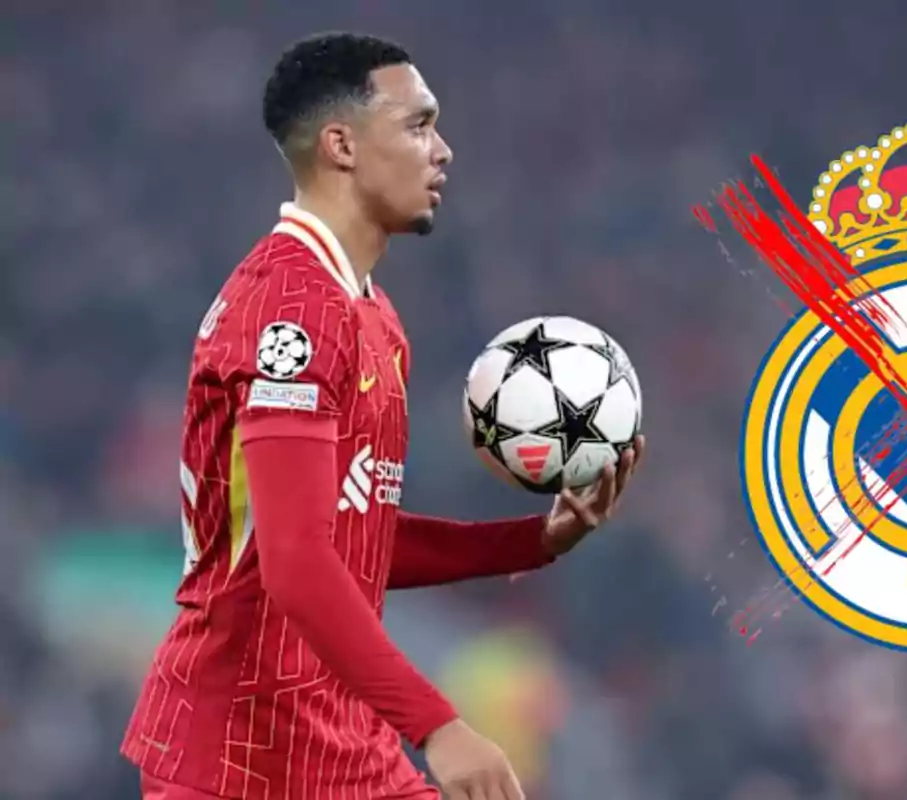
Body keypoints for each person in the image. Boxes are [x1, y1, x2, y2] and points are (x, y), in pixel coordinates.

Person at [120, 31, 645, 800]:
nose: (444, 150)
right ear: (341, 145)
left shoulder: (371, 315)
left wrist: (532, 541)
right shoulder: (288, 314)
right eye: (418, 124)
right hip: (241, 752)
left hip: (342, 737)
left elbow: (348, 540)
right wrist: (439, 725)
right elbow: (296, 561)